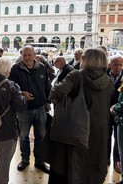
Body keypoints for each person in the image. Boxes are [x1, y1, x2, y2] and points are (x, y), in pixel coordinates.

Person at [47, 48, 114, 184]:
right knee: (92, 162)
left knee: (71, 163)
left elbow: (54, 93)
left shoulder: (76, 76)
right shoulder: (109, 81)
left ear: (86, 59)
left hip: (75, 128)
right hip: (99, 129)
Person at [9, 45, 51, 174]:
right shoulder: (16, 69)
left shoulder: (42, 68)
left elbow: (47, 87)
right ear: (21, 56)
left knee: (41, 136)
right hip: (24, 110)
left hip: (40, 109)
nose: (27, 57)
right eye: (24, 55)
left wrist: (48, 101)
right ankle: (25, 160)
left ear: (34, 55)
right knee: (23, 136)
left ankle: (40, 161)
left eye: (29, 55)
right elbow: (11, 87)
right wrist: (22, 93)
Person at [107, 55, 123, 173]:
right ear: (109, 65)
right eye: (115, 64)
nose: (118, 67)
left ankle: (116, 161)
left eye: (120, 64)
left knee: (118, 139)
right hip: (105, 111)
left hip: (118, 111)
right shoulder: (104, 75)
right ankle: (105, 158)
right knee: (106, 136)